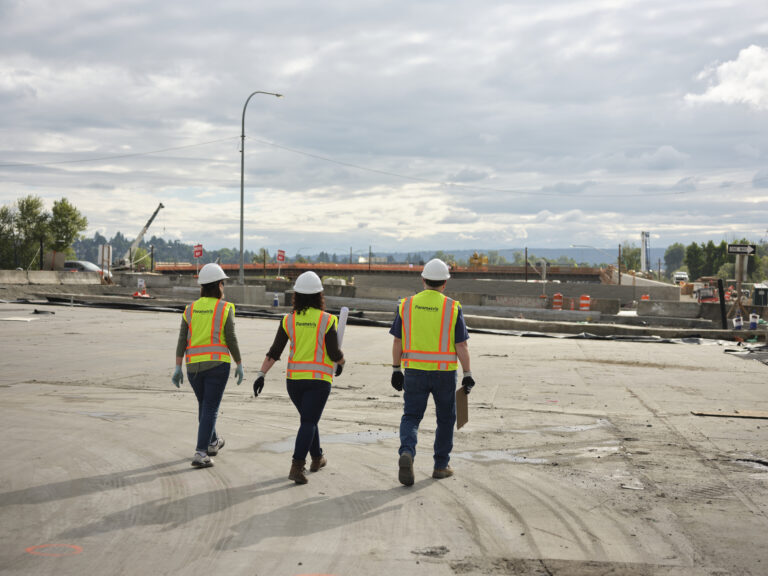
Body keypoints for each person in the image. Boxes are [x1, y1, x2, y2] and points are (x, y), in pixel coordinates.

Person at [252, 271, 345, 485]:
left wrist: (261, 374)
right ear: (319, 295)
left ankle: (317, 458)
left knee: (309, 420)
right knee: (309, 421)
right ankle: (297, 465)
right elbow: (334, 353)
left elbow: (274, 351)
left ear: (297, 295)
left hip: (294, 382)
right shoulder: (327, 320)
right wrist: (341, 364)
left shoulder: (289, 320)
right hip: (319, 381)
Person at [389, 258, 475, 486]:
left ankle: (407, 452)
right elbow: (461, 346)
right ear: (445, 283)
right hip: (444, 374)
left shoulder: (406, 305)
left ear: (423, 279)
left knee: (411, 416)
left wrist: (396, 368)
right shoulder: (452, 307)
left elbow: (397, 341)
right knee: (446, 419)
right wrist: (467, 373)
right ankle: (440, 465)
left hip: (414, 371)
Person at [172, 263, 244, 468]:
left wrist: (178, 367)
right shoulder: (225, 307)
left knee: (204, 406)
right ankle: (201, 452)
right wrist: (239, 362)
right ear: (219, 285)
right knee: (210, 408)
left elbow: (181, 340)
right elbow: (231, 337)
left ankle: (212, 442)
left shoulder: (190, 309)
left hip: (193, 367)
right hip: (216, 365)